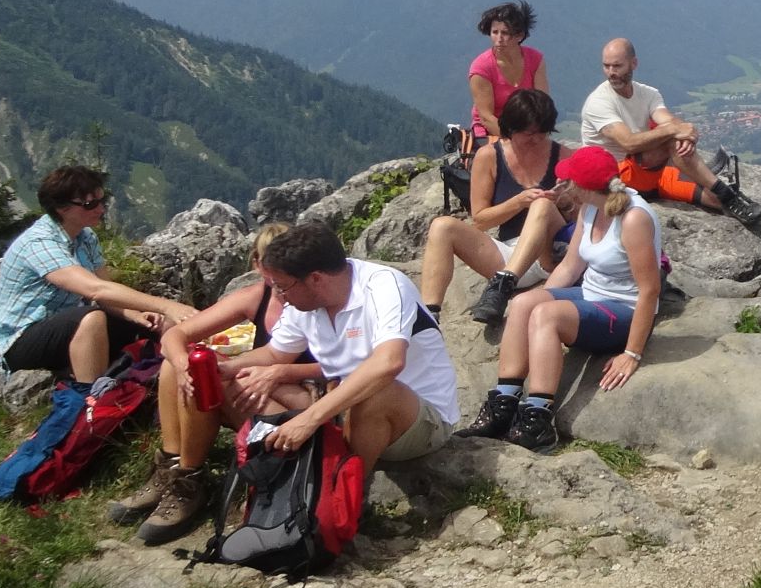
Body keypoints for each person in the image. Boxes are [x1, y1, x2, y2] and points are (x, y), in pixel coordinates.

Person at [114, 224, 326, 545]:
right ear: (257, 264)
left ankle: (189, 484)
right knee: (179, 367)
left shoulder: (313, 298)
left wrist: (276, 373)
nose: (278, 274)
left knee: (209, 377)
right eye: (269, 264)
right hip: (264, 395)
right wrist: (184, 365)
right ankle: (173, 469)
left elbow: (346, 366)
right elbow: (174, 336)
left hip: (305, 403)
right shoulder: (258, 296)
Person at [457, 146, 660, 453]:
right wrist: (542, 297)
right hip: (593, 294)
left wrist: (632, 354)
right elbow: (571, 265)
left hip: (624, 308)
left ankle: (537, 422)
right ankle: (504, 403)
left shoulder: (633, 218)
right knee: (525, 303)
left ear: (582, 186)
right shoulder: (591, 208)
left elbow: (649, 290)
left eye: (569, 180)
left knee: (546, 317)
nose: (563, 184)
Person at [580, 37, 761, 273]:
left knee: (720, 200)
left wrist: (683, 134)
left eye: (617, 66)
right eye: (606, 66)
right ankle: (724, 192)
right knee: (680, 150)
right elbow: (629, 143)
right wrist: (676, 132)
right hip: (616, 179)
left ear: (634, 64)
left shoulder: (648, 93)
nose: (611, 72)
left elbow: (668, 120)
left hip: (646, 174)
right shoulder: (600, 101)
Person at [222, 223, 462, 464]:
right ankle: (299, 467)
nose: (280, 297)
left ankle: (343, 486)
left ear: (315, 279)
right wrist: (225, 368)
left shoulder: (383, 286)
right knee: (247, 384)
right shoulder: (303, 303)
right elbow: (275, 354)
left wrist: (310, 419)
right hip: (343, 408)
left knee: (378, 392)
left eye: (283, 288)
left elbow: (389, 363)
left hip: (416, 417)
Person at [0, 164, 196, 384]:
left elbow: (106, 290)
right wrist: (166, 305)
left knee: (161, 326)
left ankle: (165, 379)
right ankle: (92, 400)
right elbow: (96, 290)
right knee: (90, 319)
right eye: (90, 204)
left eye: (102, 201)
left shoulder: (85, 237)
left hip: (62, 326)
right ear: (62, 208)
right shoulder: (40, 243)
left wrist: (136, 315)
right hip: (18, 340)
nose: (100, 209)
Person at [417, 88, 573, 324]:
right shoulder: (489, 156)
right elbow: (480, 220)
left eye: (542, 133)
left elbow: (587, 217)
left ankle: (502, 285)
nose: (536, 140)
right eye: (528, 134)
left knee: (541, 205)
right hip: (509, 253)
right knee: (441, 226)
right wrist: (518, 202)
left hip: (551, 252)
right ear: (510, 129)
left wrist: (567, 200)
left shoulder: (563, 155)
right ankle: (429, 315)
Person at [468, 0, 546, 140]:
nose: (499, 39)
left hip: (525, 129)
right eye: (494, 32)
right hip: (490, 131)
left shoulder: (535, 60)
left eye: (505, 33)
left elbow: (542, 104)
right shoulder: (481, 67)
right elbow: (486, 117)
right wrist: (515, 140)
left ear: (519, 35)